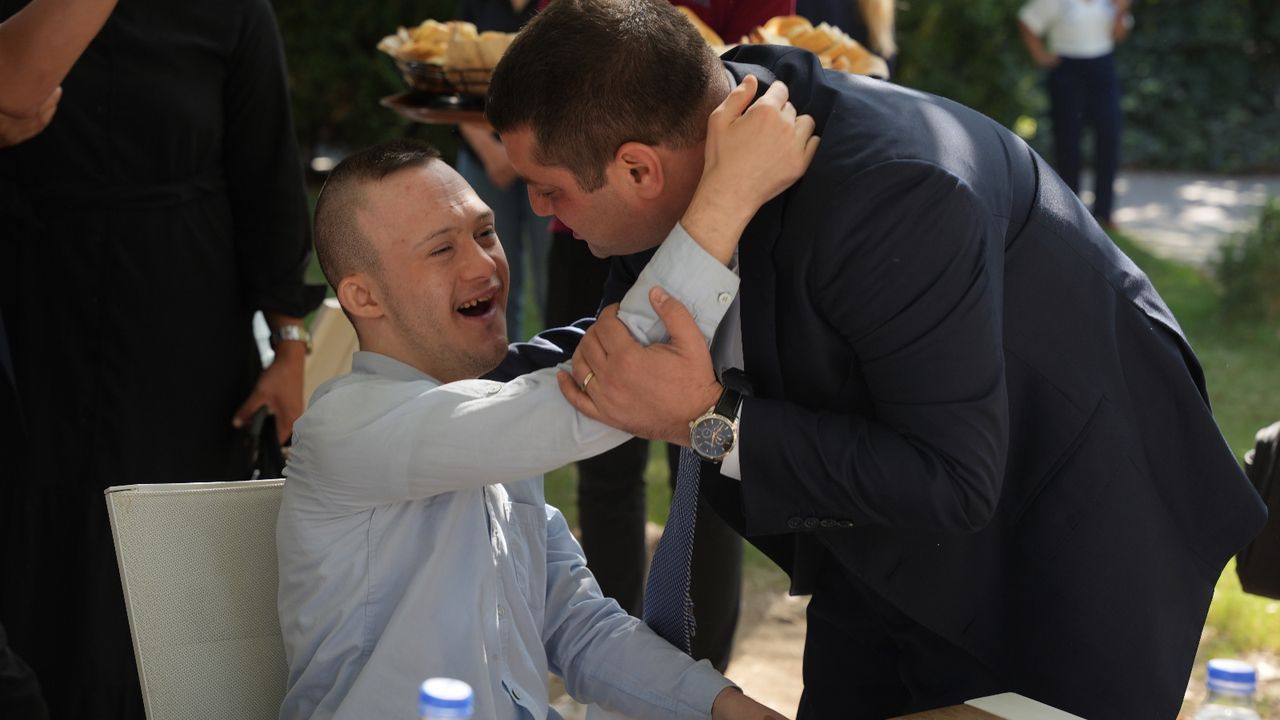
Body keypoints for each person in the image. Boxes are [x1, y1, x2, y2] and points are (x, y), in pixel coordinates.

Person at [484, 0, 1270, 717]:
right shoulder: (700, 133)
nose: (540, 211)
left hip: (1067, 542)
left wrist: (708, 421)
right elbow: (630, 341)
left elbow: (952, 478)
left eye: (548, 190)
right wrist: (441, 379)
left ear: (637, 169)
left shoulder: (893, 195)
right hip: (880, 525)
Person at [277, 75, 815, 719]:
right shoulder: (343, 426)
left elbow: (582, 631)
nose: (483, 266)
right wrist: (726, 198)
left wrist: (726, 706)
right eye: (442, 250)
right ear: (363, 297)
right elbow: (599, 399)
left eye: (485, 233)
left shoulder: (499, 427)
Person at [0, 0, 323, 716]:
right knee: (39, 530)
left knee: (171, 543)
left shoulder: (232, 11)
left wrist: (289, 344)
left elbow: (267, 172)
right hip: (37, 308)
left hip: (183, 320)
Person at [544, 0, 791, 671]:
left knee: (707, 465)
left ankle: (695, 675)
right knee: (605, 449)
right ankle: (615, 652)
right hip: (599, 211)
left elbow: (761, 40)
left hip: (702, 177)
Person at [455, 0, 548, 341]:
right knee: (488, 276)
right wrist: (491, 151)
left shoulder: (564, 6)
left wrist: (521, 154)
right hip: (483, 160)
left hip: (550, 159)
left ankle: (561, 362)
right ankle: (497, 364)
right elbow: (452, 82)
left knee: (552, 275)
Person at [1018, 0, 1134, 228]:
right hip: (1067, 71)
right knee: (1068, 139)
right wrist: (1040, 54)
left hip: (1102, 69)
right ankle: (1071, 210)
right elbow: (1027, 22)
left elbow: (1119, 36)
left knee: (1109, 135)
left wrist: (1121, 11)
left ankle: (1104, 211)